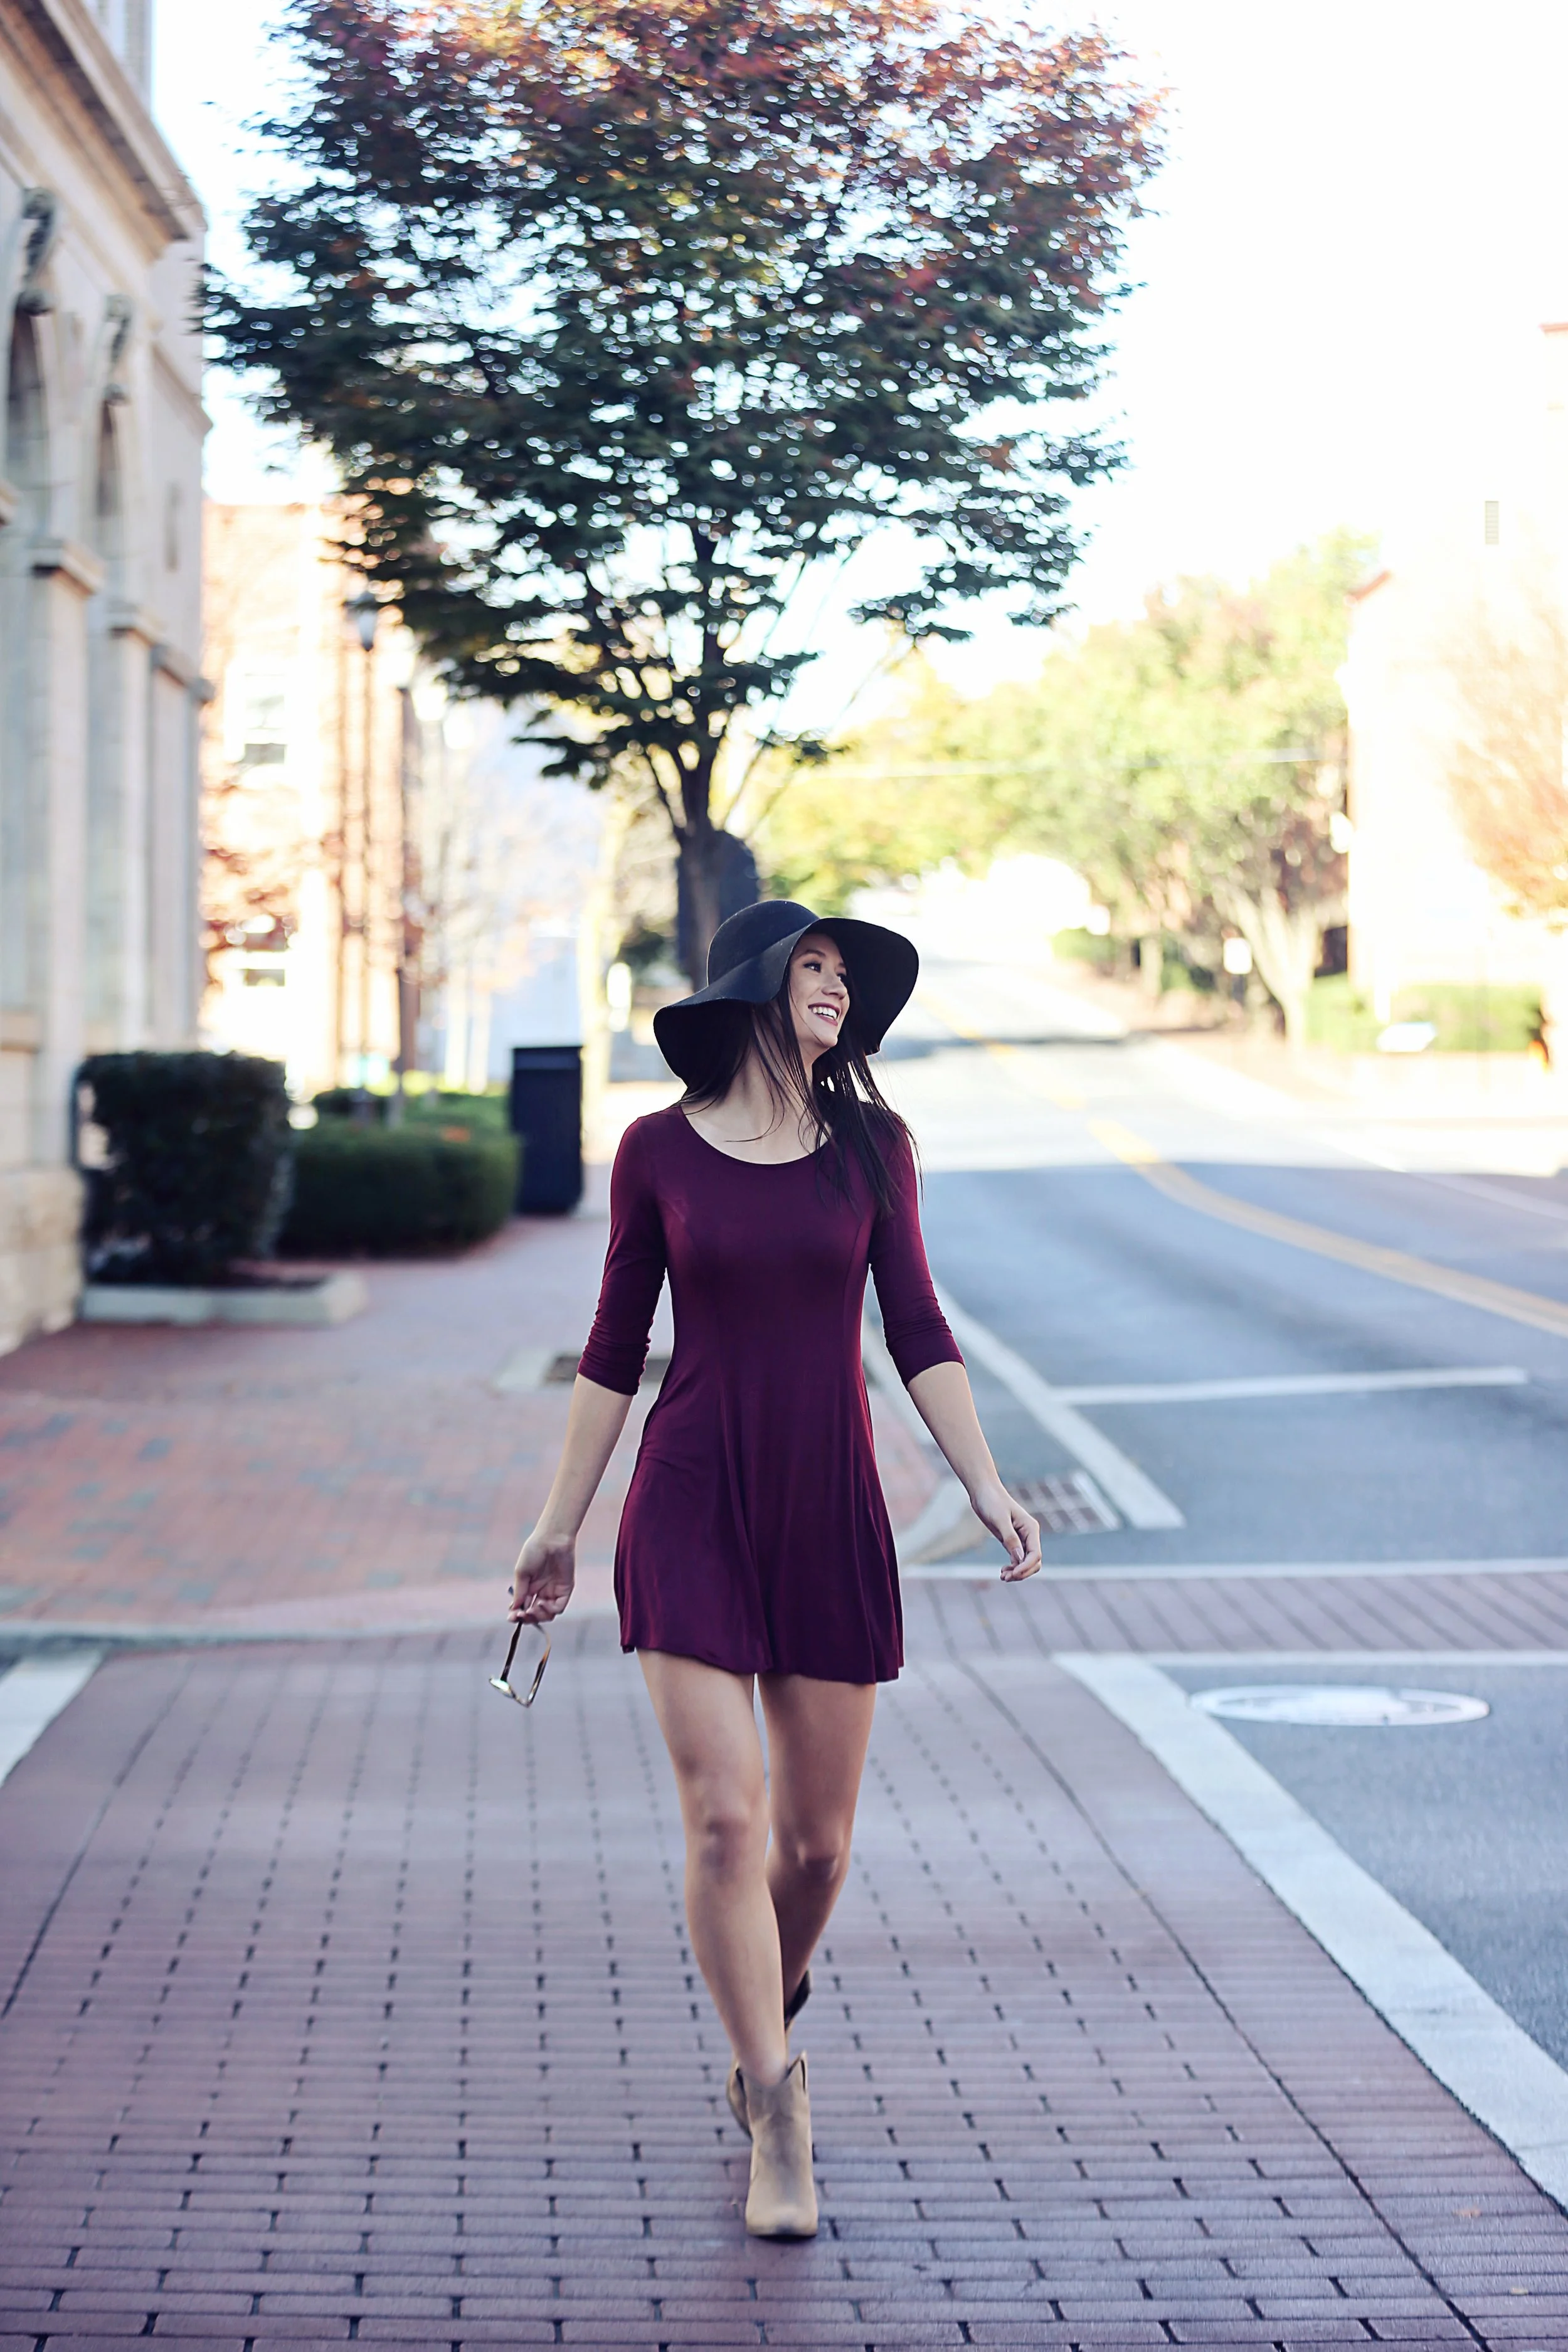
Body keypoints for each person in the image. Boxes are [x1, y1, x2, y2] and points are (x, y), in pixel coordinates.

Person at [509, 899, 1041, 2239]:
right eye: (811, 967)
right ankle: (775, 2103)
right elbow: (609, 1346)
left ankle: (766, 1993)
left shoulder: (871, 1147)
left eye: (844, 977)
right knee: (725, 1826)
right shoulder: (654, 1153)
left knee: (812, 1849)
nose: (835, 989)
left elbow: (915, 1322)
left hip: (826, 1504)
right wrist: (556, 1523)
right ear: (753, 989)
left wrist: (981, 1480)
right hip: (688, 1500)